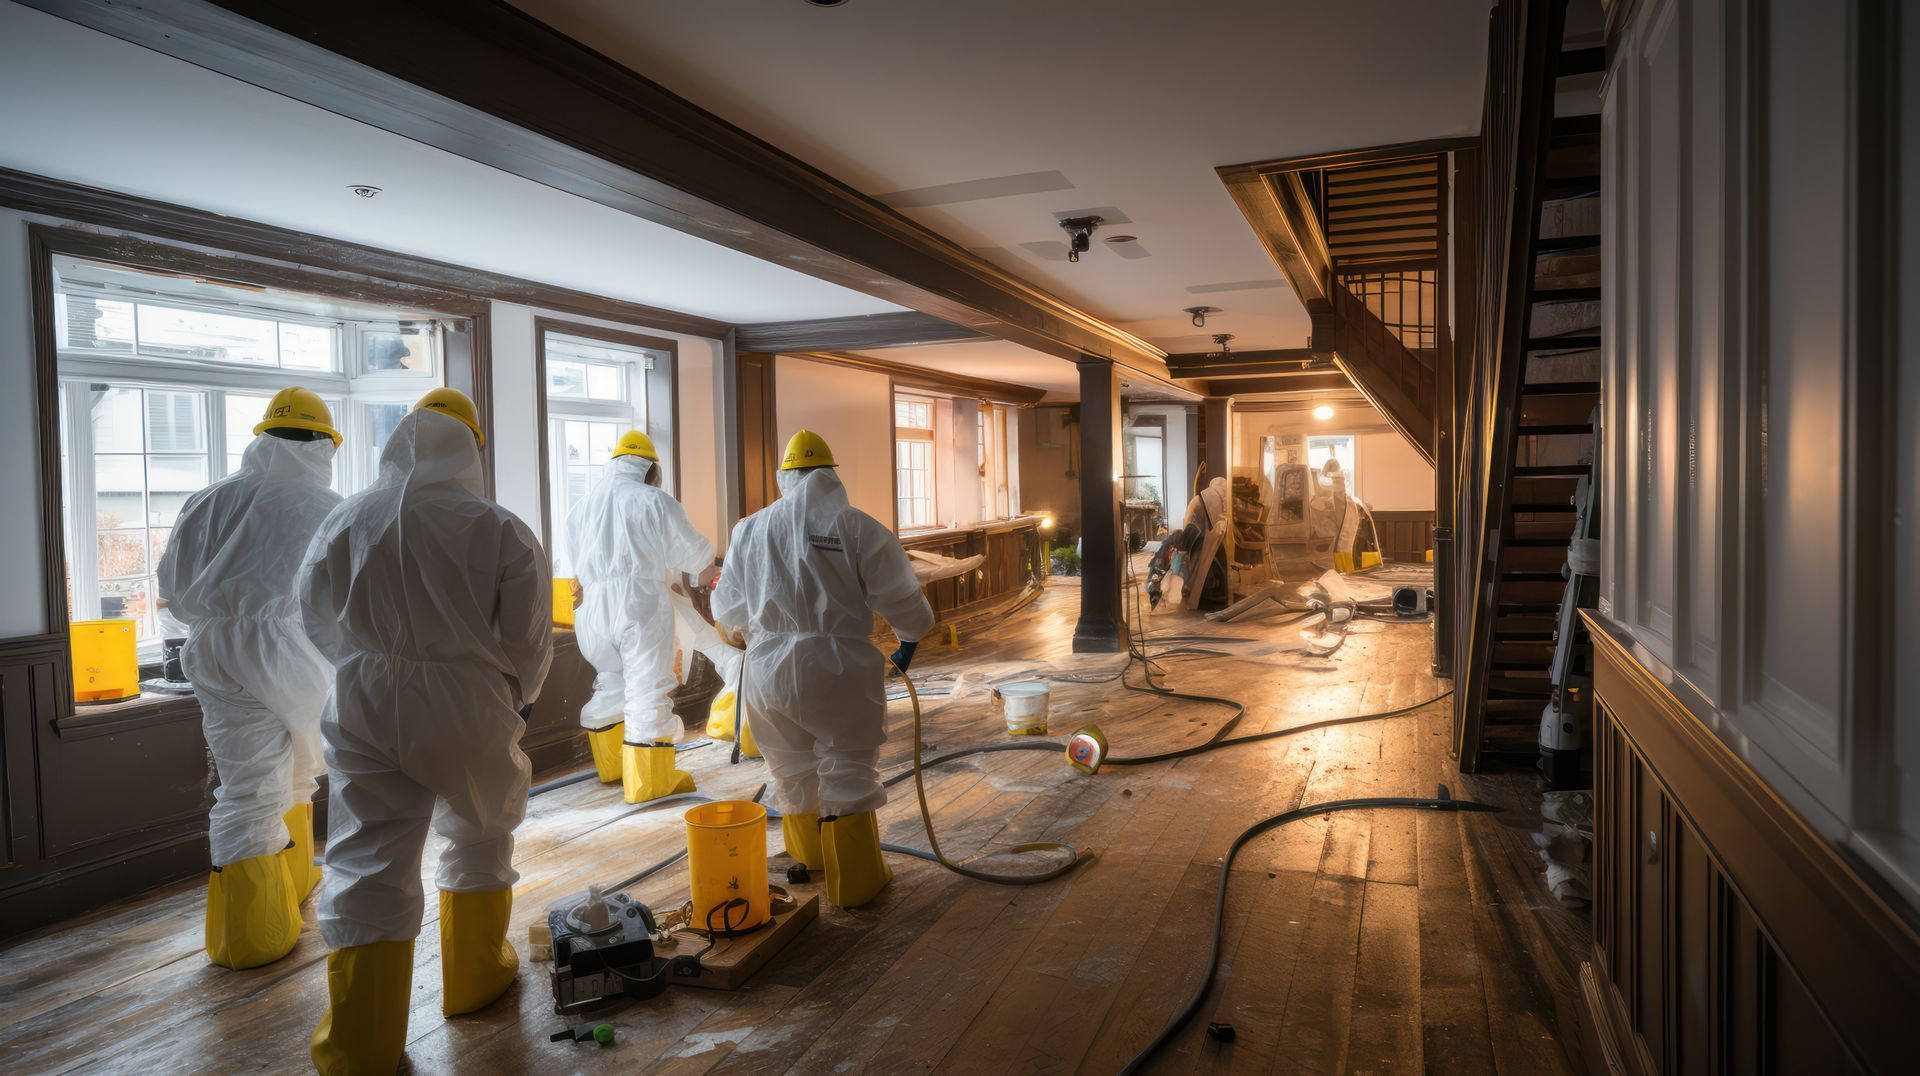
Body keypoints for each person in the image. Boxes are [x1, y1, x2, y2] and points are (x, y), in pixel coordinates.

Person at [299, 386, 553, 1074]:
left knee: (365, 856)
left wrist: (361, 663)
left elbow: (312, 608)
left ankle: (360, 1042)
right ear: (470, 448)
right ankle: (475, 977)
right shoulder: (499, 527)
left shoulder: (346, 518)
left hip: (363, 694)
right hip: (468, 697)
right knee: (479, 831)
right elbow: (528, 637)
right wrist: (519, 696)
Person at [156, 386, 343, 970]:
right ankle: (259, 931)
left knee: (248, 782)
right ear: (323, 444)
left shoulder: (207, 500)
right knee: (295, 770)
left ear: (263, 438)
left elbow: (172, 588)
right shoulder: (327, 506)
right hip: (290, 648)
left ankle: (267, 906)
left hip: (210, 647)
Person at [709, 430, 934, 909]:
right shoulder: (857, 526)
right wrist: (910, 639)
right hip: (836, 667)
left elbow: (726, 607)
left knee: (791, 768)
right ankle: (855, 882)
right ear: (831, 475)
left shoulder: (749, 529)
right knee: (847, 766)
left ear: (785, 477)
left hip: (766, 669)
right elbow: (905, 602)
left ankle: (809, 859)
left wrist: (760, 627)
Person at [566, 429, 718, 802]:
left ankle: (613, 767)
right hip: (638, 605)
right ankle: (650, 782)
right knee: (647, 690)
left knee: (610, 682)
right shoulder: (654, 500)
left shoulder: (581, 506)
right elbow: (697, 557)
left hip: (591, 611)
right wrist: (705, 577)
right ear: (651, 469)